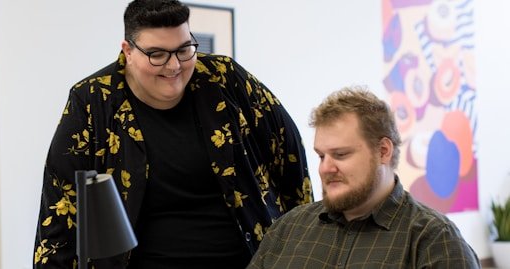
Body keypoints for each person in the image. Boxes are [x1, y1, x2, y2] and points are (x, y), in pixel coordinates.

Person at [33, 1, 312, 268]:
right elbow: (62, 204)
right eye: (157, 54)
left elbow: (288, 157)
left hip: (248, 260)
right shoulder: (94, 100)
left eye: (184, 49)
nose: (174, 66)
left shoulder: (225, 78)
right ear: (128, 51)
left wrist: (304, 248)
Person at [248, 86, 480, 268]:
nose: (325, 168)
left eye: (340, 154)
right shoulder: (289, 229)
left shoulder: (433, 241)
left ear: (383, 151)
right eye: (321, 156)